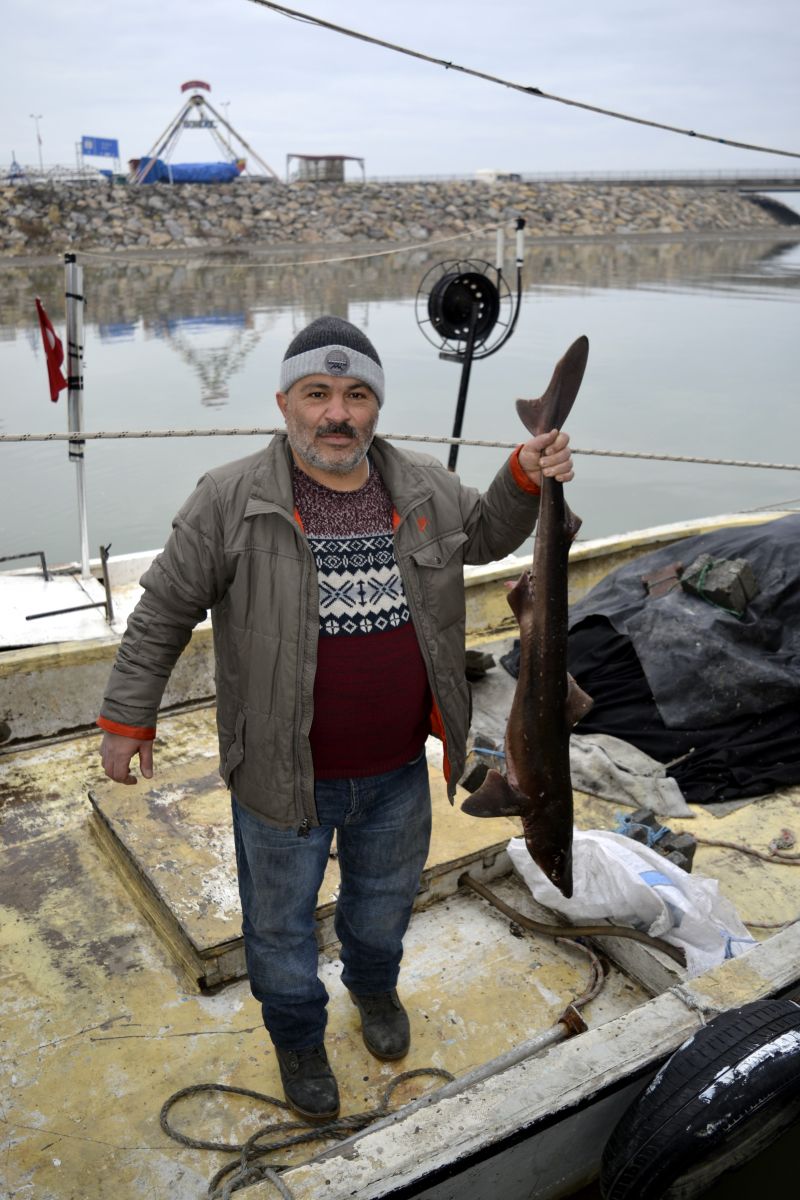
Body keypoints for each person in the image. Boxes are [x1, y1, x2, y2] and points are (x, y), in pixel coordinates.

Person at [97, 315, 575, 1123]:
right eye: (318, 394)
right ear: (284, 402)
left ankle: (374, 989)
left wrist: (525, 474)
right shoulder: (228, 498)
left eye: (356, 395)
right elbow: (162, 613)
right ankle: (296, 1033)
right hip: (281, 779)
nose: (337, 414)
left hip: (396, 772)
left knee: (382, 908)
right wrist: (127, 716)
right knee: (280, 932)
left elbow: (490, 534)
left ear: (376, 407)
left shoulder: (421, 486)